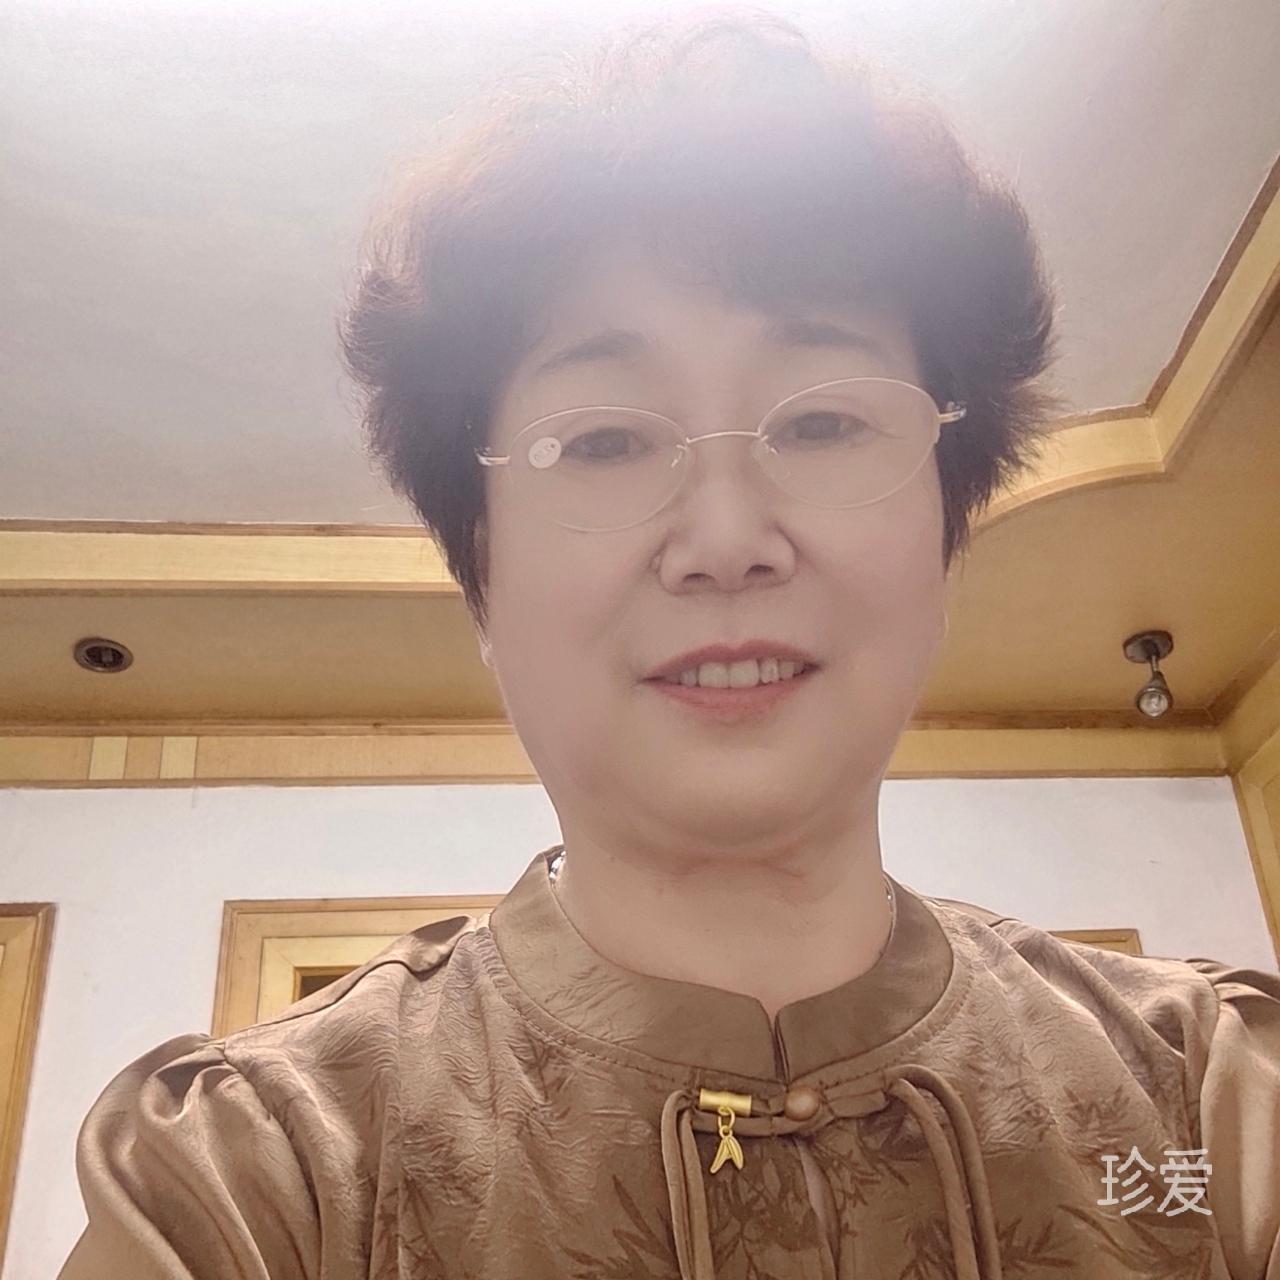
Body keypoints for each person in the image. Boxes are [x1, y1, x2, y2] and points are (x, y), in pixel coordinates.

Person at [59, 11, 1280, 1280]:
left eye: (821, 423)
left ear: (945, 531)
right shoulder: (263, 1174)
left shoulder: (1211, 1102)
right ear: (479, 577)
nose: (725, 537)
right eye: (602, 440)